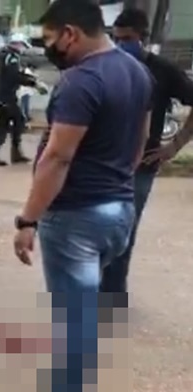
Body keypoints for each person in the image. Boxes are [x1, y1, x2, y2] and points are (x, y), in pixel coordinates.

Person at [10, 0, 152, 392]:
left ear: (70, 33)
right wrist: (117, 182)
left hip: (76, 216)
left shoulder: (82, 81)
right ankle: (71, 386)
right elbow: (140, 140)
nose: (49, 48)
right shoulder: (136, 72)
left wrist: (28, 220)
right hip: (119, 210)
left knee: (72, 312)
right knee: (83, 308)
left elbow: (57, 158)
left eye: (50, 39)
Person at [101, 8, 193, 306]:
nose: (121, 45)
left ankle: (113, 297)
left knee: (124, 230)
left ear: (143, 37)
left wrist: (174, 146)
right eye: (116, 38)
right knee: (95, 228)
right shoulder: (104, 66)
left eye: (127, 39)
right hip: (103, 164)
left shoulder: (163, 70)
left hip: (142, 165)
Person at [0, 33, 37, 166]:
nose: (23, 48)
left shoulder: (8, 56)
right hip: (6, 97)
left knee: (13, 122)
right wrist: (32, 82)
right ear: (17, 44)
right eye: (22, 45)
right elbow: (14, 76)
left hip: (5, 96)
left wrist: (30, 79)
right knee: (10, 123)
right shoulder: (11, 57)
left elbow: (15, 74)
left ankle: (9, 153)